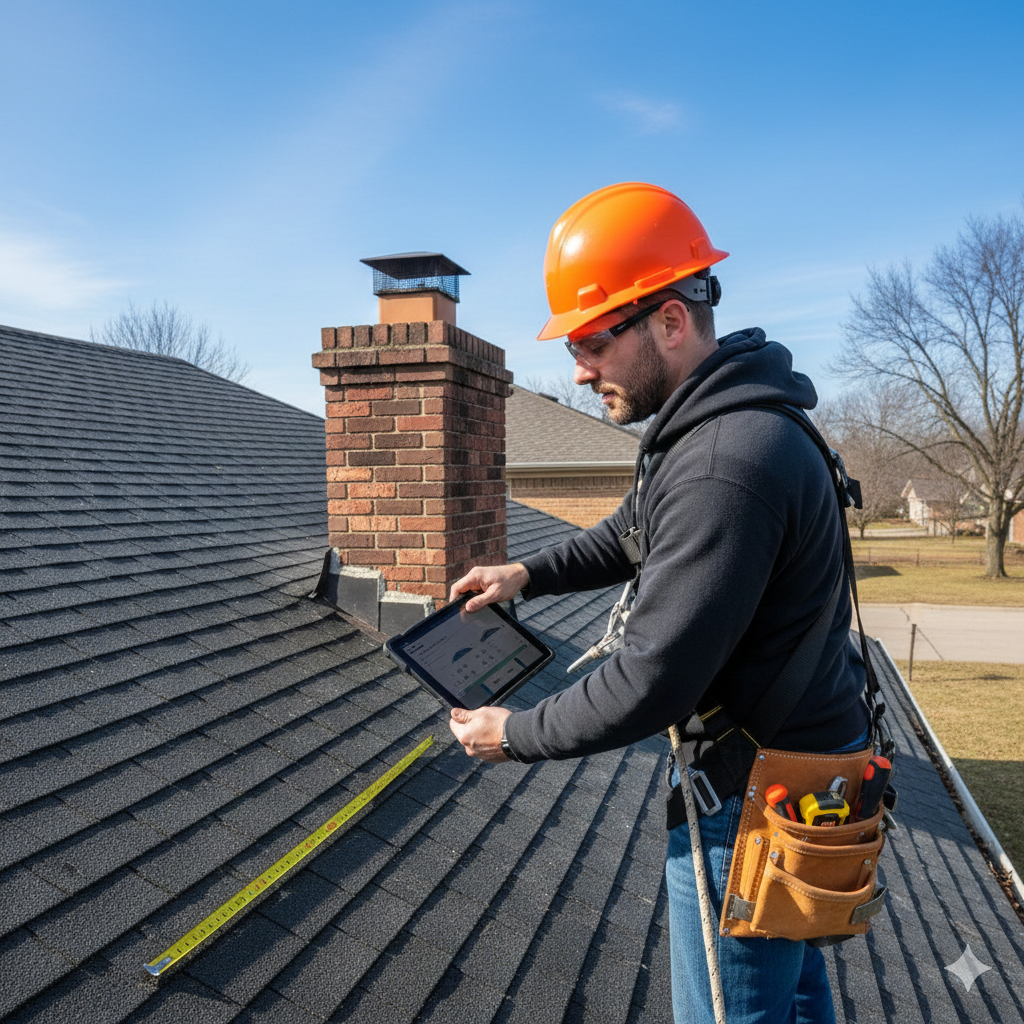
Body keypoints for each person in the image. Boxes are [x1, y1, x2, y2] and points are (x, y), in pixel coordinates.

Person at [447, 182, 868, 1024]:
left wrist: (516, 733)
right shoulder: (722, 422)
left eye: (595, 340)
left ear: (669, 322)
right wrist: (525, 574)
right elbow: (634, 530)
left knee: (737, 1009)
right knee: (791, 987)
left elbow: (651, 681)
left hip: (755, 802)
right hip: (807, 772)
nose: (578, 367)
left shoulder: (724, 462)